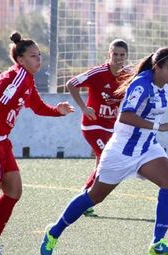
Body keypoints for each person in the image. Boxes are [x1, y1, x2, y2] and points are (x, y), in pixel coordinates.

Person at [40, 47, 168, 255]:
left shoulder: (167, 85)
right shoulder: (141, 85)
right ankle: (54, 231)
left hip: (147, 146)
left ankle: (157, 243)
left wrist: (155, 129)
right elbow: (125, 116)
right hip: (121, 151)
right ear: (157, 67)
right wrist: (160, 126)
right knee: (94, 196)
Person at [0, 31, 75, 255]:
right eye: (33, 56)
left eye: (39, 55)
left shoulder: (26, 78)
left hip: (3, 144)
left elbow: (37, 106)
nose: (38, 60)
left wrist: (57, 111)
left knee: (13, 192)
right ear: (20, 59)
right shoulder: (14, 78)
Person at [66, 39, 130, 217]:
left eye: (122, 55)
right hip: (92, 125)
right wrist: (83, 107)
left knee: (101, 163)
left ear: (126, 56)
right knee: (106, 159)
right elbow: (71, 83)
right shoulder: (98, 73)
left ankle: (84, 200)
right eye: (115, 54)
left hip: (111, 128)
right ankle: (84, 198)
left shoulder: (129, 75)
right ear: (108, 55)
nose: (118, 58)